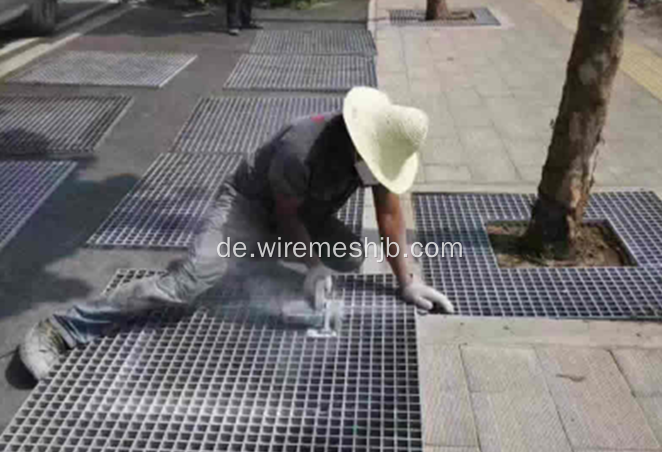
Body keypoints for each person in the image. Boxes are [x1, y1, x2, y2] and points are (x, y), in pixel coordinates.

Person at [20, 87, 454, 381]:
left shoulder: (379, 151)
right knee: (188, 284)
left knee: (351, 255)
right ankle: (63, 328)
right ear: (359, 141)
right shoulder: (302, 146)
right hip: (249, 206)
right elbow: (286, 218)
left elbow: (390, 216)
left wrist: (408, 281)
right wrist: (313, 265)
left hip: (305, 210)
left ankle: (249, 264)